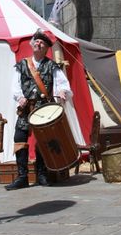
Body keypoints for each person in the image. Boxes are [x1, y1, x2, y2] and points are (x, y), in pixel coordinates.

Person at [6, 30, 72, 190]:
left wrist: (62, 91)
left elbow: (63, 85)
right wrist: (19, 97)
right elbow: (15, 86)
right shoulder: (22, 65)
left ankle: (41, 173)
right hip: (26, 108)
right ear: (32, 44)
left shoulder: (52, 66)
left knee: (44, 140)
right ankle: (22, 177)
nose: (38, 43)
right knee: (19, 138)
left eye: (42, 42)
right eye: (36, 41)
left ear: (46, 48)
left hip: (44, 109)